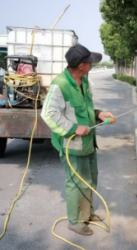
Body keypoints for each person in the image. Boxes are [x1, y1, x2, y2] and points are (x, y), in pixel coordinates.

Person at [41, 43, 116, 236]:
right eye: (90, 62)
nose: (92, 65)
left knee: (90, 178)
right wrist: (73, 128)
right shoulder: (60, 85)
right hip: (72, 145)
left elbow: (85, 109)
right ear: (81, 65)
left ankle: (87, 214)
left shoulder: (85, 82)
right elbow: (48, 115)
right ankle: (74, 221)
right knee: (76, 182)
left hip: (88, 142)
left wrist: (99, 114)